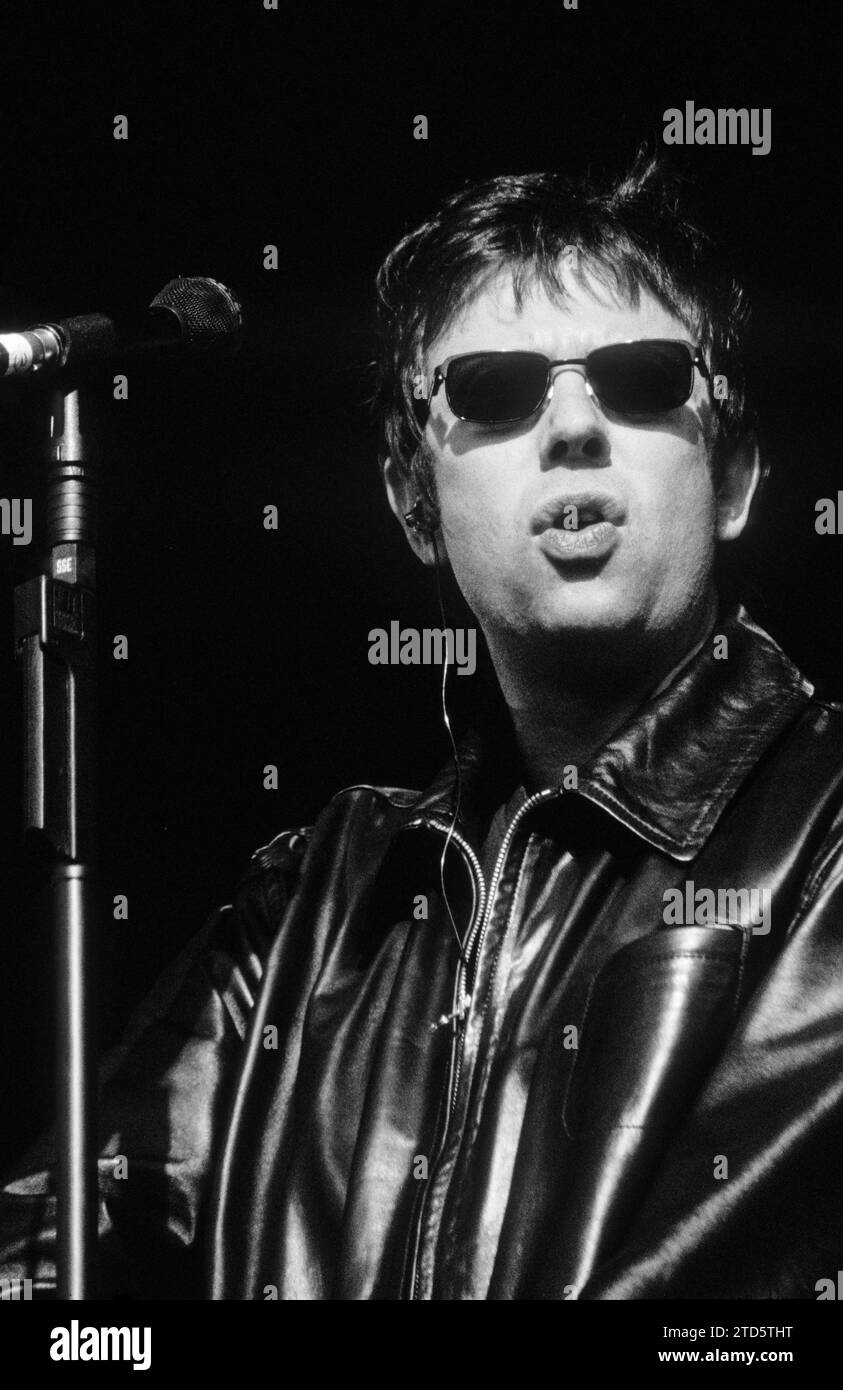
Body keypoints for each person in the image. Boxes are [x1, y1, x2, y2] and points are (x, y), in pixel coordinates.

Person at [2, 153, 842, 1301]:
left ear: (736, 475)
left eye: (644, 377)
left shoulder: (829, 832)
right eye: (496, 388)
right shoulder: (312, 899)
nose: (575, 425)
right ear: (413, 503)